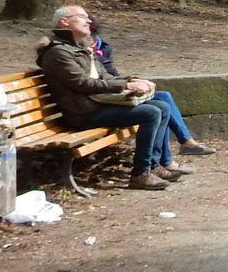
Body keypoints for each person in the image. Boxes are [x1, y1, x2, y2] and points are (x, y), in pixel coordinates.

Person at [39, 5, 177, 190]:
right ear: (65, 22)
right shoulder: (59, 52)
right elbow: (82, 84)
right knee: (150, 112)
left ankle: (153, 165)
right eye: (82, 17)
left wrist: (132, 80)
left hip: (97, 105)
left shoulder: (80, 48)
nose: (89, 21)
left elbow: (104, 76)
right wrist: (125, 86)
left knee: (162, 106)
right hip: (83, 113)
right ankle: (140, 173)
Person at [92, 22, 216, 175]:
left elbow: (110, 76)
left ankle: (174, 153)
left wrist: (134, 80)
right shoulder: (76, 53)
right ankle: (163, 160)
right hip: (103, 101)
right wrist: (126, 85)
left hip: (112, 95)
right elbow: (91, 83)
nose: (93, 40)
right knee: (156, 109)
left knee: (163, 99)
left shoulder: (101, 49)